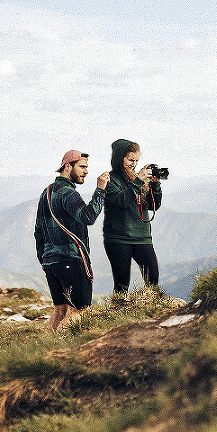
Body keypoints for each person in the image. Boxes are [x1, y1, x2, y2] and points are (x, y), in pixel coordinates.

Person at [34, 150, 109, 330]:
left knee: (60, 309)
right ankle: (58, 349)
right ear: (68, 166)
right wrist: (100, 190)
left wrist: (42, 260)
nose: (86, 171)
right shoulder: (68, 193)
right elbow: (88, 217)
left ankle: (46, 348)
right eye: (82, 167)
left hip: (51, 262)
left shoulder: (47, 192)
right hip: (71, 260)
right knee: (81, 310)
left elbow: (38, 230)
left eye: (86, 167)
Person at [103, 139, 163, 293]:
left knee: (153, 278)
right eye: (130, 159)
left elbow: (152, 205)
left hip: (142, 236)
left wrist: (155, 184)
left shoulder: (138, 179)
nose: (134, 164)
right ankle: (118, 315)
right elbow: (121, 201)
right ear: (119, 157)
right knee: (122, 284)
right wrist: (138, 181)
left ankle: (152, 312)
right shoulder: (109, 180)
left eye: (136, 160)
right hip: (118, 238)